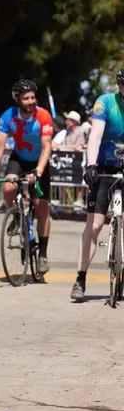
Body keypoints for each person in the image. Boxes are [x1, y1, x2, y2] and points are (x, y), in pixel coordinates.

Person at [0, 79, 53, 274]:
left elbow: (47, 146)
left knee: (41, 209)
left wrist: (39, 171)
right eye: (26, 98)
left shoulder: (43, 115)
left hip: (39, 161)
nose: (31, 101)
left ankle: (42, 254)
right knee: (8, 186)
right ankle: (15, 215)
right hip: (19, 158)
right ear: (18, 100)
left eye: (33, 97)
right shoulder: (9, 116)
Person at [70, 68, 124, 300]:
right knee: (94, 226)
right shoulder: (105, 103)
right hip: (103, 166)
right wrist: (91, 166)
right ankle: (80, 278)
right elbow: (95, 136)